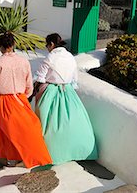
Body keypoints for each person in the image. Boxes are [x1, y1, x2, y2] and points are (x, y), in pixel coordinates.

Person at [0, 32, 52, 169]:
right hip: (20, 99)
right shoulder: (23, 61)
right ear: (13, 45)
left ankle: (8, 158)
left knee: (4, 131)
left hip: (2, 101)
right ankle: (25, 156)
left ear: (0, 47)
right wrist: (24, 96)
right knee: (24, 128)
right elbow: (29, 84)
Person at [32, 33, 98, 165]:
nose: (46, 48)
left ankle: (48, 154)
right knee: (73, 121)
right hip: (67, 91)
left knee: (46, 123)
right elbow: (74, 80)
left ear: (51, 44)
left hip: (51, 92)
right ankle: (77, 151)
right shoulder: (70, 57)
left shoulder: (50, 57)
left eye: (47, 45)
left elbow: (40, 77)